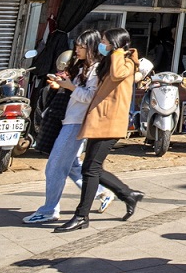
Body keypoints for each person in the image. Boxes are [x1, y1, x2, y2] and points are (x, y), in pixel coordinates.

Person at [57, 27, 144, 232]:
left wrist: (117, 52)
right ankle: (128, 195)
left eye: (105, 41)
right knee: (91, 168)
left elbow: (116, 75)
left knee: (90, 168)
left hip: (111, 122)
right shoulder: (112, 60)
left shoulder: (126, 62)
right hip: (100, 120)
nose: (102, 45)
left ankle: (82, 215)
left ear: (115, 43)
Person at [23, 31, 113, 224]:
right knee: (71, 165)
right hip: (68, 119)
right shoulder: (82, 67)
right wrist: (61, 85)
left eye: (82, 47)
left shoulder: (97, 70)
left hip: (76, 123)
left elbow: (91, 97)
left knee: (55, 167)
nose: (77, 50)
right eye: (77, 46)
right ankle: (102, 192)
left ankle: (49, 210)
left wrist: (70, 87)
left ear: (92, 47)